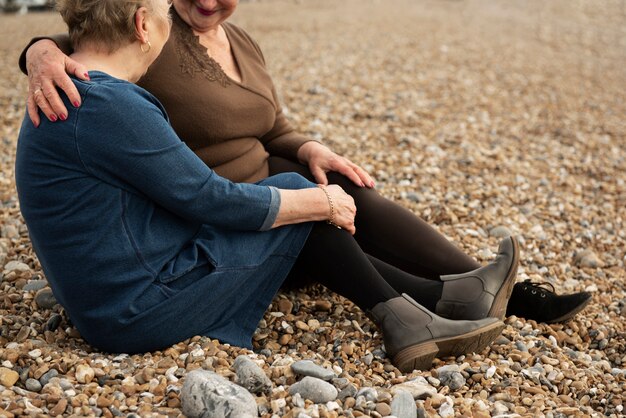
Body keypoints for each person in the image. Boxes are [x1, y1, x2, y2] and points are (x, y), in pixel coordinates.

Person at [16, 0, 520, 373]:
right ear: (142, 25)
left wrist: (309, 162)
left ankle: (439, 299)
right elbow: (205, 197)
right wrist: (316, 201)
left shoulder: (75, 94)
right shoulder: (111, 105)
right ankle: (427, 311)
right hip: (137, 310)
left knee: (297, 189)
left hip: (121, 289)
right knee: (298, 203)